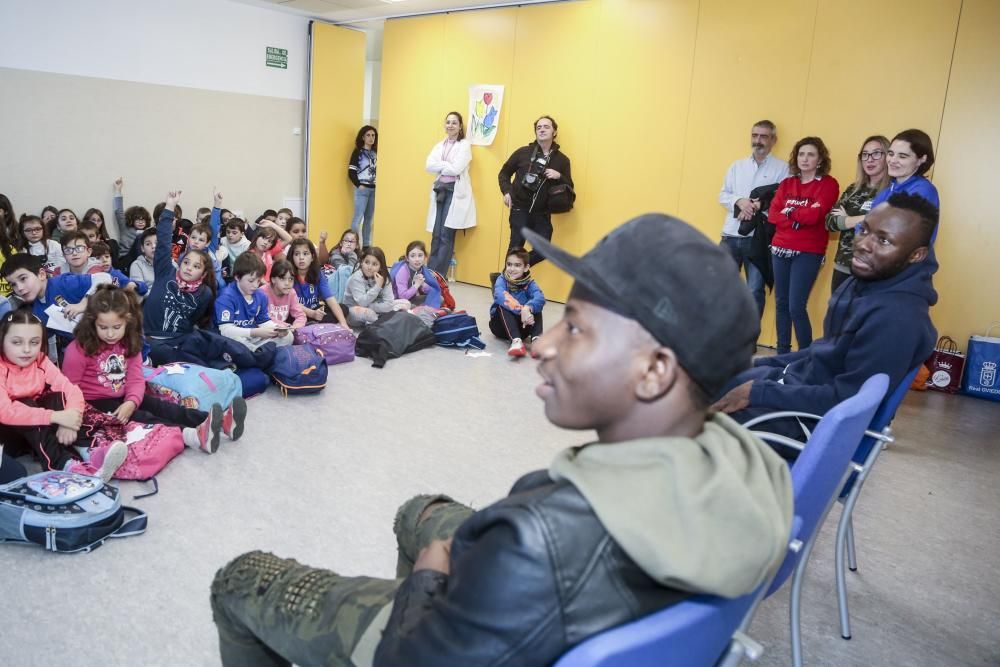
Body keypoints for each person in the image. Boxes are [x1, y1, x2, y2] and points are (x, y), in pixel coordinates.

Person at [210, 212, 793, 667]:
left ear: (655, 371)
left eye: (577, 328)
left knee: (239, 580)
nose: (543, 344)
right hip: (569, 587)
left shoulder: (535, 539)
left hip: (434, 640)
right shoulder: (747, 467)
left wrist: (430, 582)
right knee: (421, 512)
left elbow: (411, 661)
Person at [713, 192, 939, 447]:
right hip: (798, 391)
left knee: (687, 419)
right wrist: (761, 363)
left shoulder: (897, 319)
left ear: (916, 255)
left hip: (807, 424)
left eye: (884, 241)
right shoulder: (868, 282)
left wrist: (760, 391)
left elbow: (845, 400)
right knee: (702, 382)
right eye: (864, 230)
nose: (864, 244)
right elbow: (826, 350)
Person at [62, 286, 246, 453]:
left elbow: (135, 378)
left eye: (117, 327)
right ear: (92, 323)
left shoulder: (130, 341)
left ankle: (221, 422)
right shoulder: (78, 350)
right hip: (95, 403)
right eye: (103, 328)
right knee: (144, 418)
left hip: (123, 395)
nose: (110, 334)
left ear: (128, 322)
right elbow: (69, 391)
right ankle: (193, 436)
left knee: (163, 407)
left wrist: (132, 401)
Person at [0, 308, 127, 482]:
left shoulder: (40, 360)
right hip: (7, 437)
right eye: (17, 342)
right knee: (26, 403)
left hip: (35, 435)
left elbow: (71, 390)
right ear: (2, 340)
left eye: (34, 342)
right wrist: (56, 416)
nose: (27, 350)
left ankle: (90, 452)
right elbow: (5, 411)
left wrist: (69, 423)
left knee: (58, 397)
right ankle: (63, 466)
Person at [767, 136, 839, 354]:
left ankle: (806, 357)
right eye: (801, 154)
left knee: (796, 306)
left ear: (819, 160)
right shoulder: (787, 183)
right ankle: (782, 354)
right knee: (781, 304)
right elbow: (772, 215)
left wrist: (789, 213)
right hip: (779, 248)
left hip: (808, 252)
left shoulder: (828, 184)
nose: (805, 159)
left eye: (811, 154)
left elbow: (816, 215)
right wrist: (798, 217)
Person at [717, 120, 790, 318]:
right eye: (755, 135)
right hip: (730, 236)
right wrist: (740, 201)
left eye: (764, 136)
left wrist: (757, 207)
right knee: (720, 289)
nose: (758, 141)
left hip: (757, 239)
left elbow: (781, 201)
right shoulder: (736, 166)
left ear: (773, 140)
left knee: (754, 292)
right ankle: (719, 339)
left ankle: (748, 343)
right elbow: (723, 195)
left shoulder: (783, 170)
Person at [142, 191, 217, 366]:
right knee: (179, 359)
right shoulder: (165, 272)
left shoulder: (204, 292)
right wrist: (170, 206)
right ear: (180, 263)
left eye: (196, 266)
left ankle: (252, 360)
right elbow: (163, 240)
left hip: (182, 337)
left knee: (216, 342)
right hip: (155, 338)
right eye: (186, 263)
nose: (189, 268)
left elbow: (195, 319)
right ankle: (212, 372)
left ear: (204, 273)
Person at [498, 115, 574, 266]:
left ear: (554, 132)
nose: (542, 130)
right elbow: (504, 173)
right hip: (519, 208)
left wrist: (559, 176)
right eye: (539, 127)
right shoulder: (523, 152)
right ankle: (506, 286)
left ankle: (515, 270)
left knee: (543, 250)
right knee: (515, 248)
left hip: (542, 213)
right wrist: (506, 192)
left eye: (546, 127)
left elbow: (570, 186)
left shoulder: (562, 160)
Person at [826, 135, 890, 293]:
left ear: (888, 156)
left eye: (876, 153)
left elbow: (884, 225)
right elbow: (830, 222)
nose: (869, 159)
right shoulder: (853, 189)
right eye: (865, 154)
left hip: (874, 270)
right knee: (837, 316)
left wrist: (847, 219)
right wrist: (866, 218)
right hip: (843, 266)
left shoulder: (893, 191)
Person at [425, 111, 476, 275]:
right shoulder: (440, 145)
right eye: (448, 122)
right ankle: (429, 272)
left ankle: (439, 275)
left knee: (446, 235)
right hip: (439, 189)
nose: (450, 125)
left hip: (454, 192)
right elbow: (429, 165)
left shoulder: (464, 145)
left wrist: (441, 164)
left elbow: (456, 169)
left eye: (454, 122)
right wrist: (446, 165)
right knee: (436, 234)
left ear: (460, 126)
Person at [215, 252, 291, 351]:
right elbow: (225, 331)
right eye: (251, 281)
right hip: (236, 339)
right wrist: (254, 332)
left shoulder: (261, 295)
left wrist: (276, 329)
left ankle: (258, 354)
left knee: (288, 336)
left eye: (259, 281)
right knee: (236, 341)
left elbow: (264, 321)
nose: (255, 285)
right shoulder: (226, 297)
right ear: (237, 277)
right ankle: (259, 354)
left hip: (254, 339)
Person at [490, 247, 545, 358]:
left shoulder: (530, 283)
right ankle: (516, 342)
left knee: (535, 306)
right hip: (500, 326)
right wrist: (522, 310)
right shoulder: (501, 279)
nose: (512, 269)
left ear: (526, 268)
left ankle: (536, 341)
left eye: (517, 265)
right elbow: (500, 296)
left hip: (523, 326)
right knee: (502, 306)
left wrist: (527, 308)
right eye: (509, 264)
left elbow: (540, 297)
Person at [871, 129, 940, 210]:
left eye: (902, 156)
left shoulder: (923, 190)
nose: (892, 160)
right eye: (891, 154)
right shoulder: (886, 191)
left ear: (921, 159)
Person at [287, 238, 349, 327]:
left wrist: (344, 324)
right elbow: (291, 303)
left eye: (305, 254)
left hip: (315, 311)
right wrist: (311, 313)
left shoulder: (318, 273)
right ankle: (312, 326)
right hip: (297, 313)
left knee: (343, 309)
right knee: (291, 315)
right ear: (292, 257)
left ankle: (313, 326)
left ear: (312, 257)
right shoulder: (288, 275)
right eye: (297, 254)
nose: (301, 258)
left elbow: (330, 299)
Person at [343, 246, 394, 327]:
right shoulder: (356, 277)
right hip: (353, 311)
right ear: (362, 262)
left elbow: (390, 304)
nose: (369, 267)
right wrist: (377, 286)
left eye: (374, 264)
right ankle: (382, 325)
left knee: (404, 303)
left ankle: (379, 321)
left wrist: (372, 306)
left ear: (380, 267)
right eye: (367, 262)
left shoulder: (384, 278)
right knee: (370, 314)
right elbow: (362, 303)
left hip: (373, 307)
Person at [349, 125, 378, 247]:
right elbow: (351, 171)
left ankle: (366, 245)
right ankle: (353, 245)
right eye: (368, 135)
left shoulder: (376, 153)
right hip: (362, 189)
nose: (371, 138)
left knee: (369, 220)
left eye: (373, 135)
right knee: (358, 219)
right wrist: (358, 184)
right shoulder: (358, 152)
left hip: (374, 189)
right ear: (363, 137)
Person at [112, 178, 152, 268]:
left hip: (143, 261)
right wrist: (118, 190)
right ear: (132, 220)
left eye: (143, 220)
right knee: (141, 237)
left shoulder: (148, 232)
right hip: (125, 260)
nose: (141, 222)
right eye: (138, 219)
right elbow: (119, 212)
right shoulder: (125, 228)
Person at [391, 240, 442, 309]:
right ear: (407, 258)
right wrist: (416, 285)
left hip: (412, 298)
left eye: (420, 255)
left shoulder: (422, 269)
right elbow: (402, 296)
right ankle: (418, 310)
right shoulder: (403, 271)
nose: (417, 259)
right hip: (398, 300)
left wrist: (422, 284)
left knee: (439, 298)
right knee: (407, 305)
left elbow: (431, 291)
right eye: (413, 256)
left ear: (425, 257)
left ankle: (419, 309)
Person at [262, 260, 306, 330]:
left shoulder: (291, 292)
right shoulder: (263, 292)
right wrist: (287, 327)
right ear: (273, 279)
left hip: (284, 331)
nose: (287, 283)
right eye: (282, 278)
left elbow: (300, 315)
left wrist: (295, 327)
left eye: (291, 279)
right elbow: (265, 318)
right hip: (265, 330)